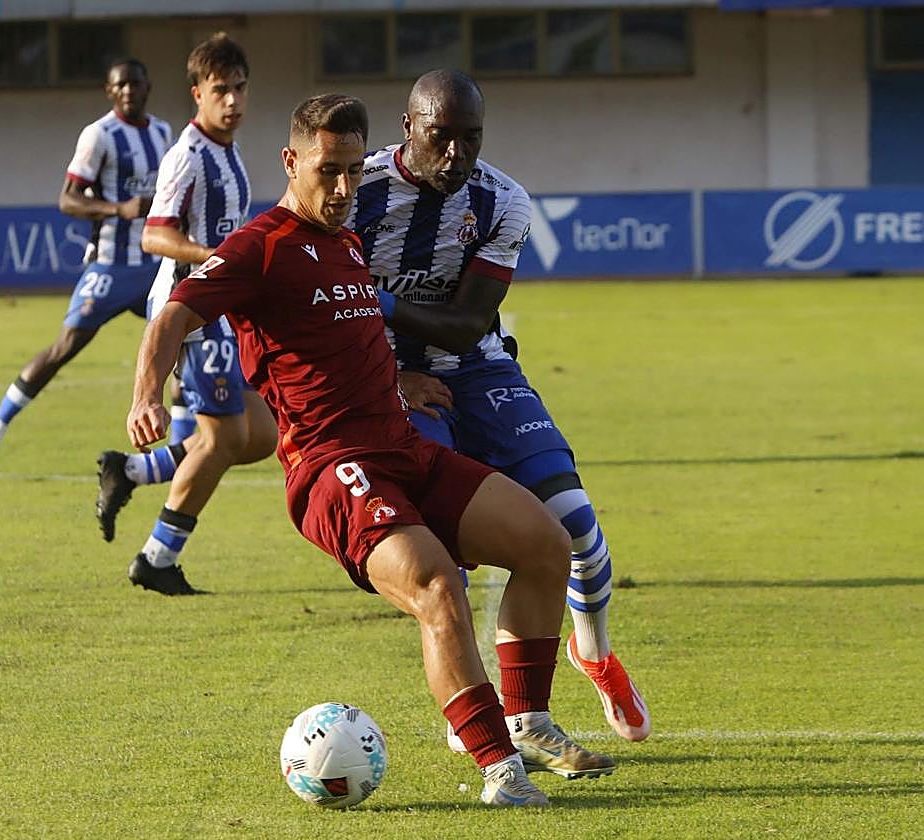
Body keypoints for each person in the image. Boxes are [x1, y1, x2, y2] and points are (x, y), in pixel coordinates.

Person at [127, 93, 614, 805]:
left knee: (547, 542)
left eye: (356, 170)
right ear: (292, 162)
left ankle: (528, 720)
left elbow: (347, 336)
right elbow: (174, 314)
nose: (346, 188)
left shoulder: (348, 242)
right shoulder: (260, 246)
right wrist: (146, 394)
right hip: (333, 468)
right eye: (330, 170)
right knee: (438, 584)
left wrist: (402, 377)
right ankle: (498, 771)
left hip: (400, 443)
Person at [346, 69, 651, 743]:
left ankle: (594, 653)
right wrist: (391, 375)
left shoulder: (502, 200)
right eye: (441, 137)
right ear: (409, 128)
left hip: (481, 369)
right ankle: (481, 704)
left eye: (471, 138)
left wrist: (367, 297)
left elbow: (463, 323)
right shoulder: (354, 190)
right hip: (386, 380)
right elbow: (313, 305)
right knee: (438, 549)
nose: (457, 154)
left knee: (575, 525)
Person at [100, 32, 277, 594]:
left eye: (241, 88)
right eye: (221, 90)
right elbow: (156, 235)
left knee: (261, 434)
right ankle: (157, 557)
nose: (233, 101)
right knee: (224, 439)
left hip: (221, 308)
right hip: (191, 310)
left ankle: (128, 471)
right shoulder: (188, 154)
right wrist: (219, 260)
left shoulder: (229, 150)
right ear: (198, 93)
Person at [0, 59, 171, 471]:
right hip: (112, 266)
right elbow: (68, 199)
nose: (129, 90)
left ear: (148, 86)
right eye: (121, 85)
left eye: (136, 83)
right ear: (110, 91)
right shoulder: (99, 135)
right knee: (66, 346)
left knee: (184, 342)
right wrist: (118, 207)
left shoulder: (163, 132)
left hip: (155, 266)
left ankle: (185, 448)